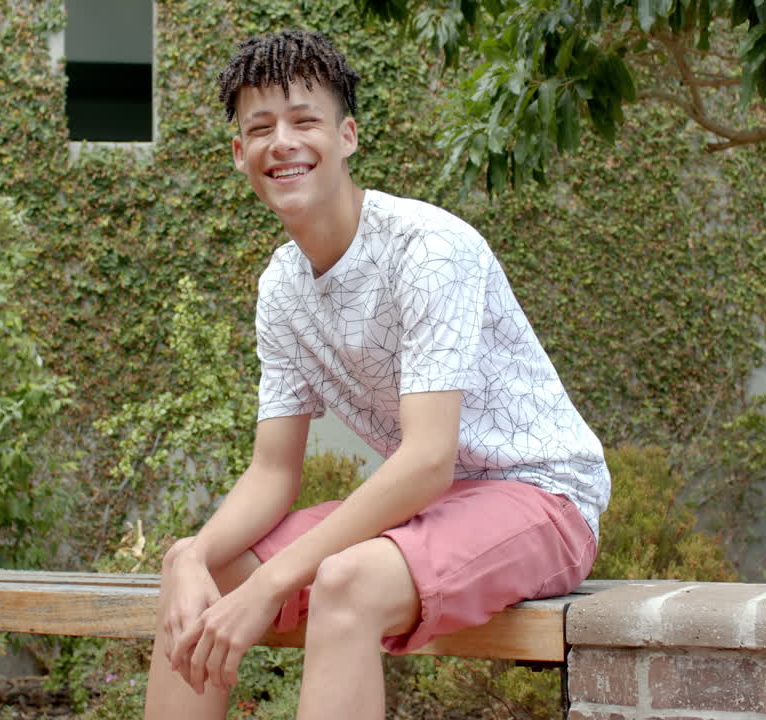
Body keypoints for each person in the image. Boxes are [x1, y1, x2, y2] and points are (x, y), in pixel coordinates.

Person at [143, 29, 610, 720]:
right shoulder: (281, 286)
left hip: (541, 494)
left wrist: (273, 582)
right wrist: (188, 557)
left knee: (347, 582)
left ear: (348, 136)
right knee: (204, 571)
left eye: (305, 121)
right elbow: (274, 472)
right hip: (436, 508)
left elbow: (426, 461)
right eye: (261, 128)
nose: (284, 143)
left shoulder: (428, 249)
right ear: (241, 153)